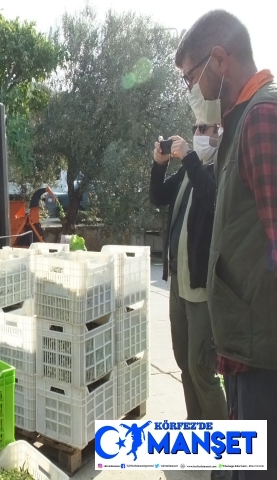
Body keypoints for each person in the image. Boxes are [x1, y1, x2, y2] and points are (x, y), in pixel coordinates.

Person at [176, 10, 277, 478]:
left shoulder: (262, 119)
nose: (190, 92)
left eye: (190, 78)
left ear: (219, 60)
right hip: (244, 351)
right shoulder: (241, 123)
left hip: (264, 362)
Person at [150, 125, 230, 480]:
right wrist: (159, 164)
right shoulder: (189, 169)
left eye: (209, 128)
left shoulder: (220, 168)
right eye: (198, 127)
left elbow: (212, 197)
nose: (201, 133)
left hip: (202, 293)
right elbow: (158, 197)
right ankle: (197, 431)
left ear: (221, 132)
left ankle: (225, 457)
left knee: (203, 370)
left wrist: (191, 158)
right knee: (184, 364)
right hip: (179, 287)